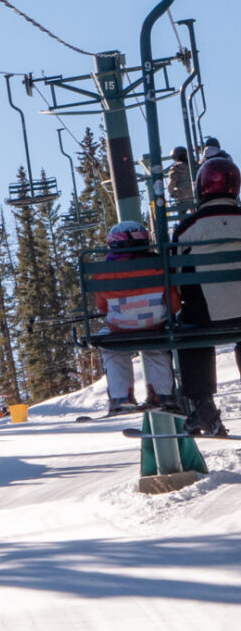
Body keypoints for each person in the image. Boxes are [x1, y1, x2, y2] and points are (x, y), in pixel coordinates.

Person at [172, 153, 241, 436]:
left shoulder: (188, 228)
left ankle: (202, 405)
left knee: (191, 331)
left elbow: (175, 276)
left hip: (205, 319)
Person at [89, 219, 180, 416]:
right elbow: (174, 304)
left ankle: (122, 397)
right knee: (156, 347)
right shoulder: (159, 265)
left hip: (120, 327)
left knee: (111, 347)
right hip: (155, 324)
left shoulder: (104, 273)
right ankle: (162, 395)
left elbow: (102, 306)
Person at [167, 146, 195, 217]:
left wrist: (173, 193)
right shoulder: (195, 165)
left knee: (181, 214)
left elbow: (171, 185)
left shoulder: (175, 168)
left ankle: (183, 224)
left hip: (182, 196)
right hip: (195, 195)